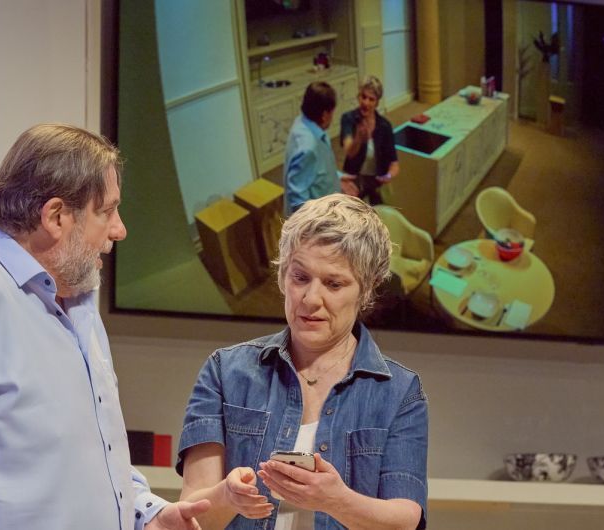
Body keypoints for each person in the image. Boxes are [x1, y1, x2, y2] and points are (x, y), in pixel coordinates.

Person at [0, 124, 210, 530]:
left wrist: (145, 512)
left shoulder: (78, 300)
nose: (119, 230)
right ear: (55, 216)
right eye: (106, 211)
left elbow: (93, 451)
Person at [176, 194, 429, 529]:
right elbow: (192, 514)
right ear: (283, 277)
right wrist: (228, 496)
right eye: (300, 278)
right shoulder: (226, 371)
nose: (311, 299)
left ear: (366, 290)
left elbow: (405, 521)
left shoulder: (399, 392)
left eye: (333, 284)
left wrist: (336, 500)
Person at [283, 81, 359, 216]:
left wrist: (336, 178)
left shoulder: (304, 122)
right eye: (332, 112)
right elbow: (298, 201)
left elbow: (317, 167)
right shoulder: (308, 148)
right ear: (324, 115)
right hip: (320, 216)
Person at [340, 75, 400, 206]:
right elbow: (349, 151)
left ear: (377, 103)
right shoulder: (348, 119)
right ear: (358, 97)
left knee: (380, 214)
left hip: (377, 181)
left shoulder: (385, 126)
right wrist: (358, 139)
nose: (366, 102)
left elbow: (394, 164)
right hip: (353, 179)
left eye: (371, 99)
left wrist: (388, 176)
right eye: (363, 97)